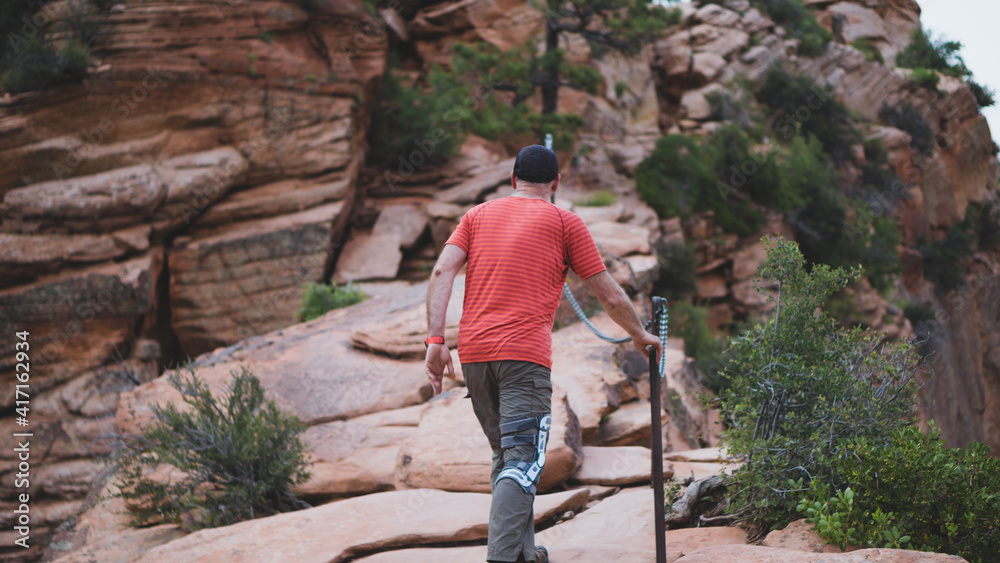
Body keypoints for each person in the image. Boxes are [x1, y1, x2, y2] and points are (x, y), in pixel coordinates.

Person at [424, 144, 662, 563]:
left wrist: (435, 342)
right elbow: (607, 293)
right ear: (555, 183)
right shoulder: (565, 222)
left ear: (513, 179)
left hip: (475, 357)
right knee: (523, 459)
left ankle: (523, 553)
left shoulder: (476, 215)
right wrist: (640, 333)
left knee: (507, 456)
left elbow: (443, 270)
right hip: (523, 359)